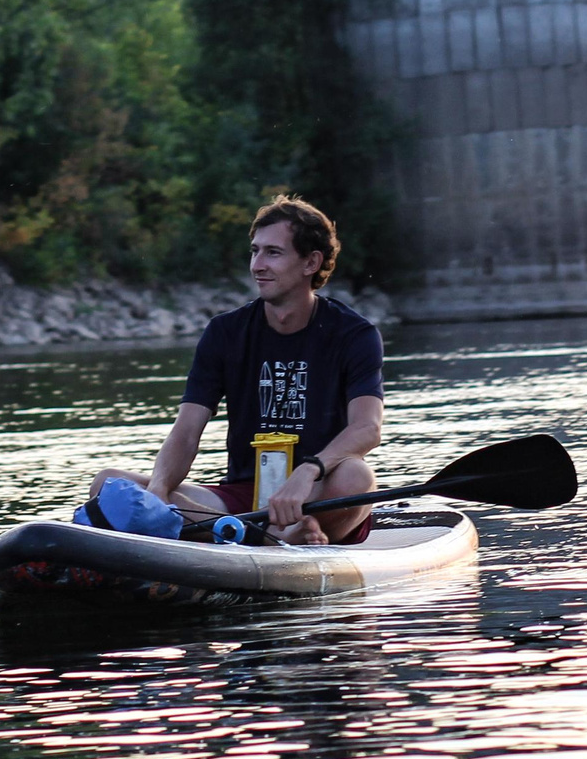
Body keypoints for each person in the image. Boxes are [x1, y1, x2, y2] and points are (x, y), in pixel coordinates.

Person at [88, 197, 383, 545]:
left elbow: (367, 428)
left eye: (273, 252)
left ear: (311, 262)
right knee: (107, 484)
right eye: (254, 251)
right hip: (245, 496)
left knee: (357, 475)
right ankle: (262, 534)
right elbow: (185, 433)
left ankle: (276, 531)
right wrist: (158, 492)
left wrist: (308, 470)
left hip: (319, 491)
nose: (257, 264)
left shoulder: (354, 334)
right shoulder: (225, 332)